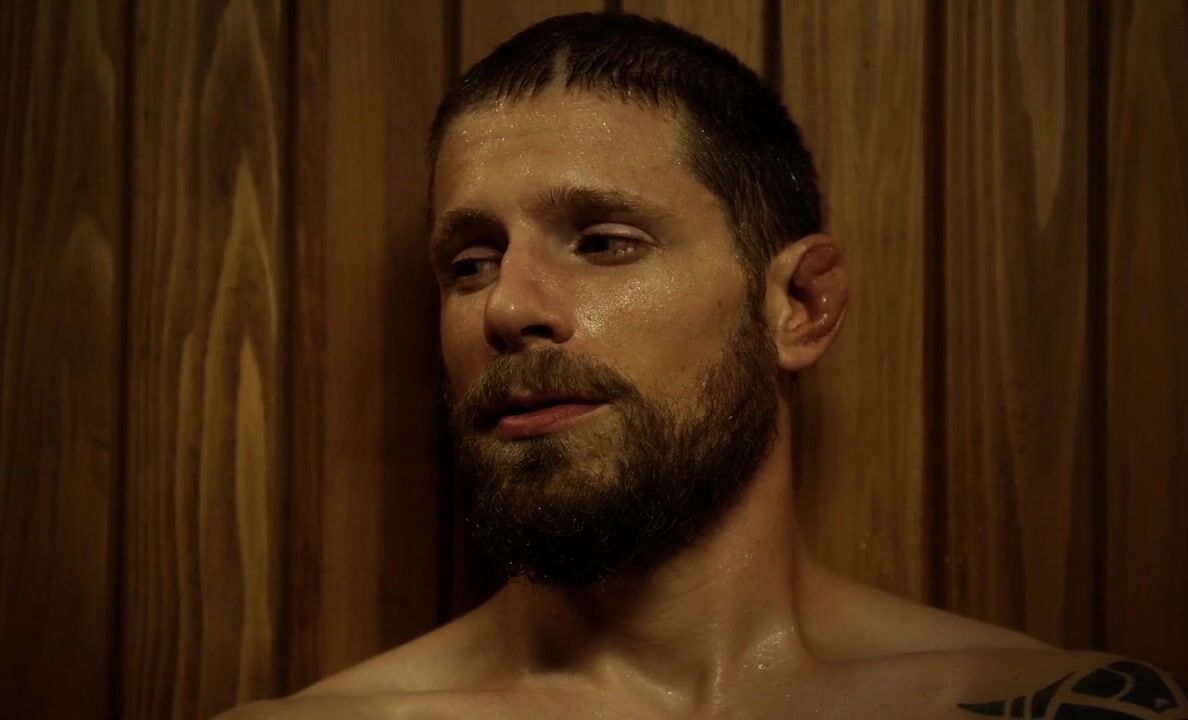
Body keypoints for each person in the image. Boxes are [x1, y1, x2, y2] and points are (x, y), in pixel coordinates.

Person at [224, 13, 1186, 719]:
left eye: (604, 243)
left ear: (798, 307)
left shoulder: (1068, 707)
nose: (507, 309)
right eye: (471, 263)